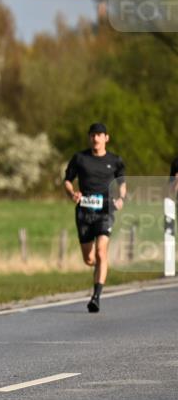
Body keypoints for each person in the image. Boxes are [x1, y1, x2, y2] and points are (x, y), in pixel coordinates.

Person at [63, 123, 127, 313]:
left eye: (99, 135)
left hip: (105, 211)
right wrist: (72, 193)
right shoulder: (80, 158)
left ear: (106, 138)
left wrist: (121, 198)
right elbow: (67, 180)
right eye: (92, 135)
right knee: (89, 259)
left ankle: (96, 297)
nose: (95, 138)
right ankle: (99, 268)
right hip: (84, 212)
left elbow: (122, 183)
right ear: (89, 138)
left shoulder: (115, 160)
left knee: (101, 252)